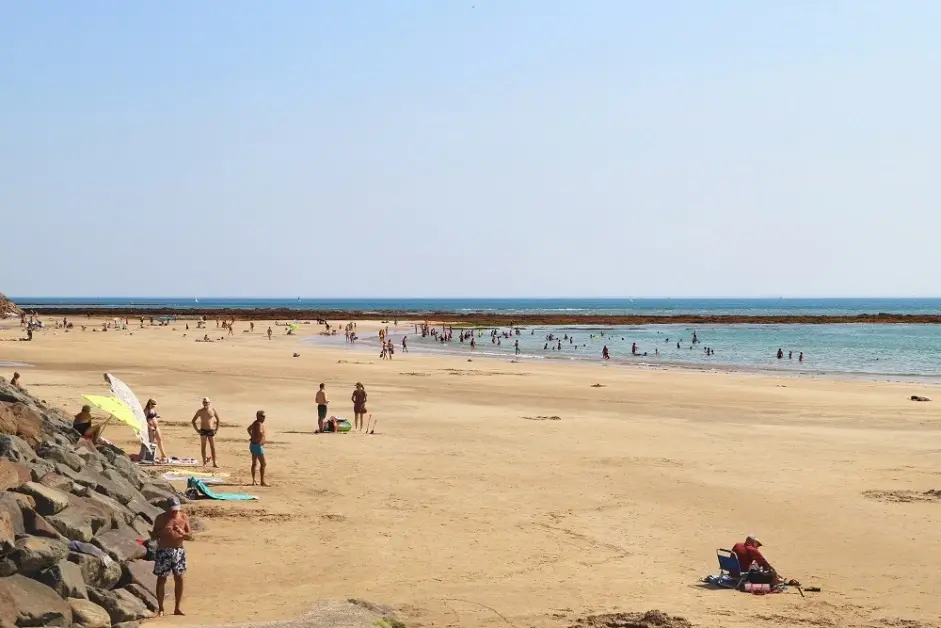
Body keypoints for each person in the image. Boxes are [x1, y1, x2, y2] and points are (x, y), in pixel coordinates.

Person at [151, 496, 192, 616]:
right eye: (172, 510)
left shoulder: (183, 517)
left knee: (179, 578)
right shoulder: (160, 518)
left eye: (176, 510)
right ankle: (161, 608)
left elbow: (190, 536)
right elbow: (153, 536)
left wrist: (182, 533)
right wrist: (162, 532)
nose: (175, 512)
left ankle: (177, 608)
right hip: (163, 551)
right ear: (167, 508)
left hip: (178, 551)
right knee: (161, 579)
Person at [191, 397, 221, 467]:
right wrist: (197, 430)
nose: (205, 404)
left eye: (206, 402)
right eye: (204, 402)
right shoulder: (200, 411)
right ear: (202, 403)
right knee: (203, 447)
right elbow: (193, 421)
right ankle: (204, 462)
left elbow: (218, 420)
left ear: (209, 403)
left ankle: (214, 463)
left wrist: (216, 429)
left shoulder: (213, 410)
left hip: (211, 430)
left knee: (213, 447)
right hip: (203, 431)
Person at [247, 410, 268, 486]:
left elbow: (248, 429)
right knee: (263, 463)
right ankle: (262, 481)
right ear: (258, 416)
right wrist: (261, 438)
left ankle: (253, 480)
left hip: (253, 445)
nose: (264, 418)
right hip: (257, 446)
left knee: (254, 463)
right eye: (262, 416)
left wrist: (252, 436)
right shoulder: (259, 424)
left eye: (264, 416)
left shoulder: (255, 422)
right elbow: (259, 432)